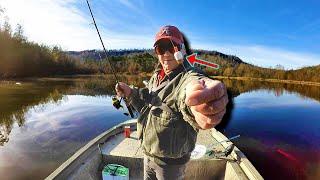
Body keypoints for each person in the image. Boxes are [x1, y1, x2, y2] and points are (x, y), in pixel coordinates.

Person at [115, 25, 228, 180]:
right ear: (157, 53)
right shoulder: (157, 75)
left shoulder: (187, 76)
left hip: (171, 166)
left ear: (182, 51)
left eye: (172, 47)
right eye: (161, 48)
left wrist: (198, 102)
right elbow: (147, 105)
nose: (166, 53)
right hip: (148, 154)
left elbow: (189, 88)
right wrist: (129, 92)